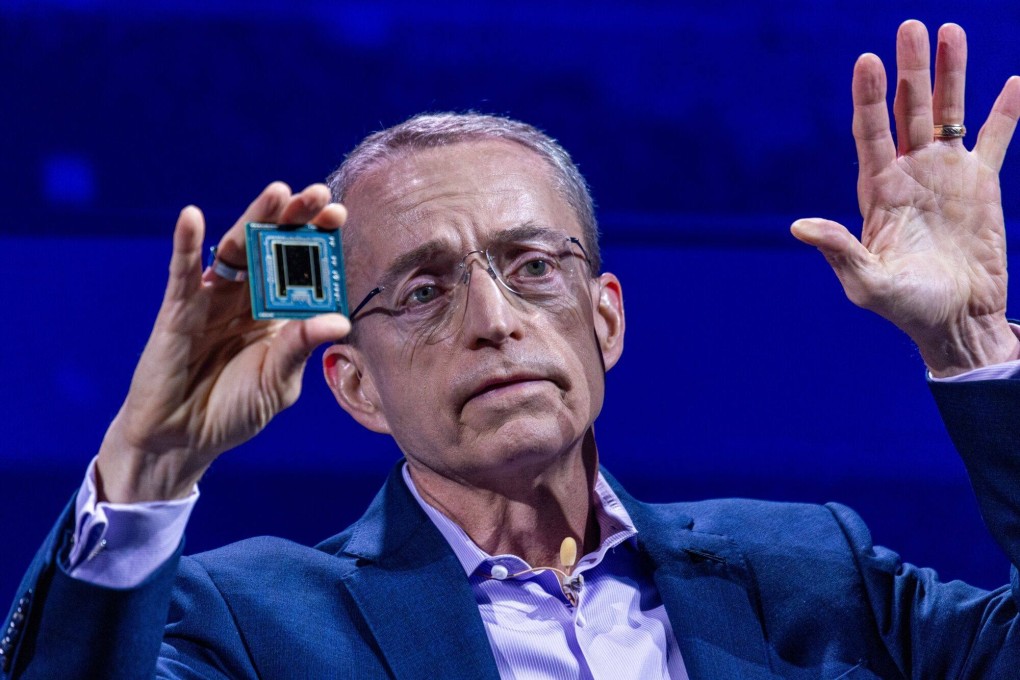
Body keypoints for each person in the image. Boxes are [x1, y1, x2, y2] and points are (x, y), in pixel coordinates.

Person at [4, 19, 1020, 679]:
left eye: (533, 264)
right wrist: (148, 463)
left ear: (606, 318)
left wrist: (973, 343)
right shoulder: (251, 622)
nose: (493, 316)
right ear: (353, 382)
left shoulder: (813, 572)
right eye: (423, 288)